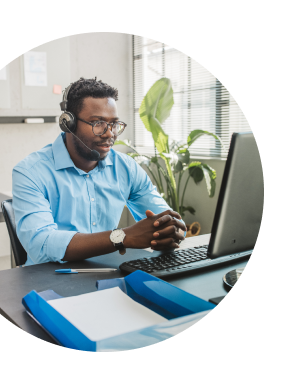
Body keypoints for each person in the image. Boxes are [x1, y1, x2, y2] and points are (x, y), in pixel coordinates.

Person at [12, 77, 186, 266]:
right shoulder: (30, 172)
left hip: (107, 273)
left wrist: (170, 231)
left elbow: (168, 221)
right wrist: (122, 237)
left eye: (113, 124)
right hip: (50, 278)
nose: (110, 133)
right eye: (98, 123)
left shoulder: (126, 168)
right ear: (68, 123)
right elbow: (41, 246)